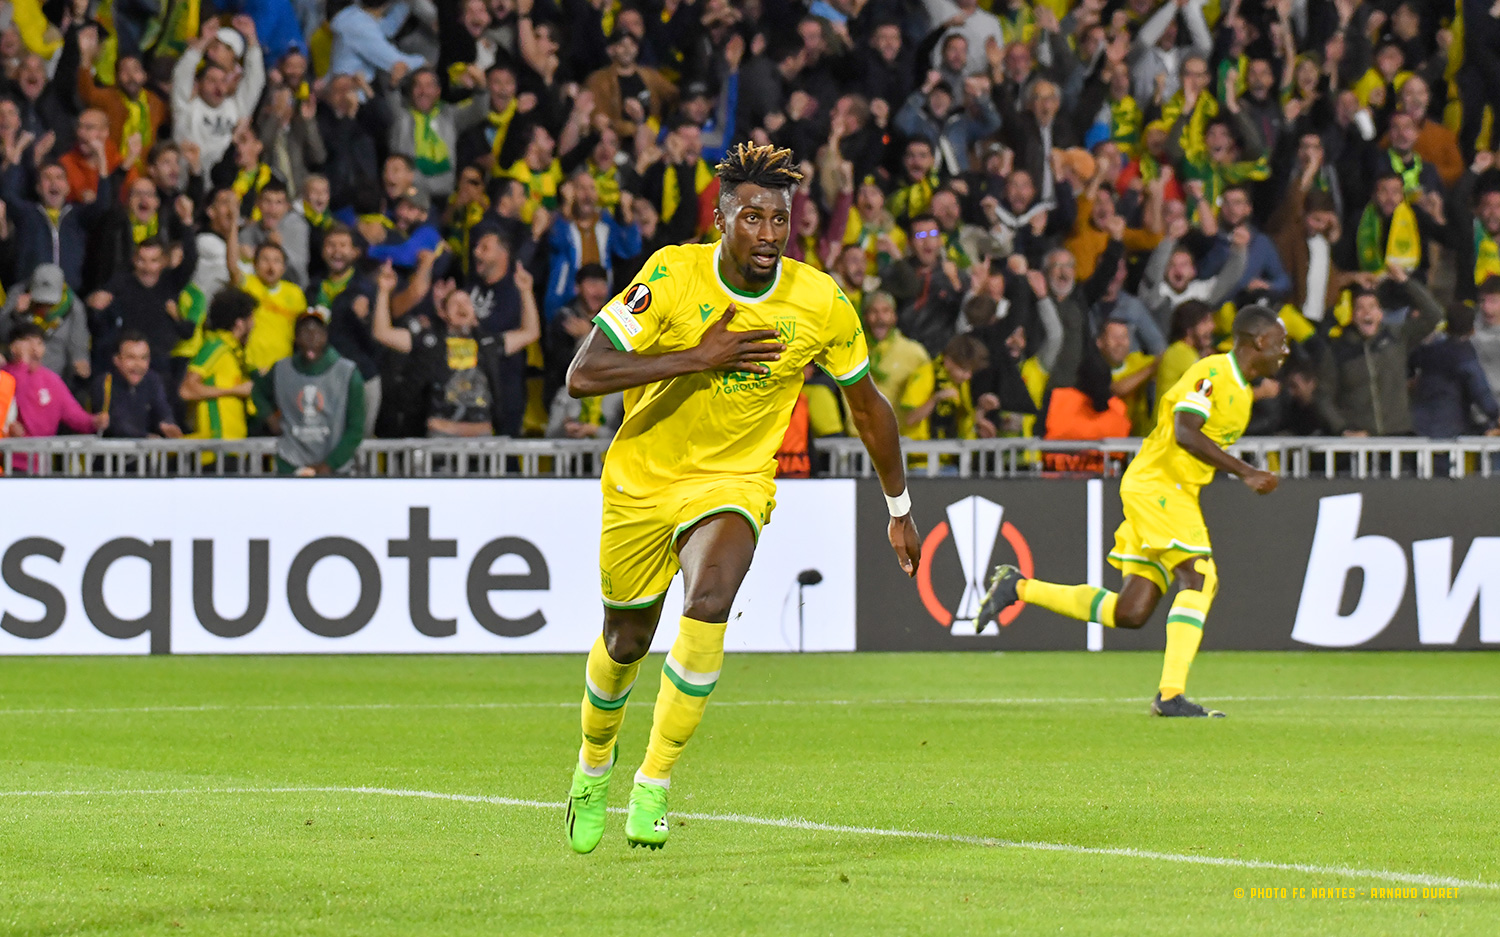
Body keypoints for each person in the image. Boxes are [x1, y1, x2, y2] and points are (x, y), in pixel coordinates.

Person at [561, 143, 921, 854]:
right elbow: (584, 373)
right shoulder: (672, 273)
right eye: (751, 217)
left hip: (734, 482)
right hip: (643, 481)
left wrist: (899, 507)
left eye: (779, 219)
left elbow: (868, 406)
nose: (768, 233)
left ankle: (654, 780)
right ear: (721, 220)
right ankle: (593, 765)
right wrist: (699, 356)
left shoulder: (818, 301)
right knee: (625, 642)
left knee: (710, 599)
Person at [975, 305, 1290, 718]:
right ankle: (1171, 696)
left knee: (1131, 612)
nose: (1285, 352)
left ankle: (1017, 587)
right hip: (1160, 487)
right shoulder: (1212, 373)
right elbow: (1185, 431)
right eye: (1281, 343)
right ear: (1260, 341)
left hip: (1170, 490)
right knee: (1200, 576)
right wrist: (1245, 471)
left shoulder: (1243, 392)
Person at [257, 307, 366, 475]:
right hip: (291, 464)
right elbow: (258, 391)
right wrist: (270, 418)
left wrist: (330, 464)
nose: (311, 337)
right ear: (296, 337)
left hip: (334, 470)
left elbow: (356, 428)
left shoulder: (347, 373)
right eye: (305, 332)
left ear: (326, 335)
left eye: (317, 332)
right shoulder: (281, 369)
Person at [181, 288, 258, 441]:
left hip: (235, 444)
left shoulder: (235, 351)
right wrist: (235, 390)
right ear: (239, 323)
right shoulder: (215, 346)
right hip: (216, 445)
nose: (254, 325)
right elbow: (187, 389)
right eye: (251, 319)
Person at [94, 331, 182, 438]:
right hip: (114, 447)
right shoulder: (105, 382)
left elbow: (162, 409)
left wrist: (168, 424)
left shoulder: (153, 380)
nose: (138, 365)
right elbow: (116, 424)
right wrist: (145, 437)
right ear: (117, 360)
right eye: (131, 358)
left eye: (144, 358)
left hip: (148, 447)